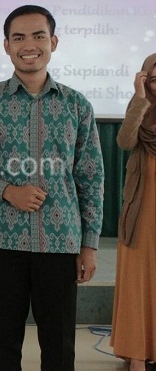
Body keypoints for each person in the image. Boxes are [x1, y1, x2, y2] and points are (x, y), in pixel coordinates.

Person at [0, 4, 105, 371]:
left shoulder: (76, 105)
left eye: (38, 36)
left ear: (53, 42)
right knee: (4, 341)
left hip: (60, 238)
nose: (29, 44)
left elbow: (91, 177)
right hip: (2, 239)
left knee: (59, 341)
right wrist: (8, 191)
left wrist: (89, 244)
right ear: (6, 46)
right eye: (18, 37)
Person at [110, 53, 156, 371]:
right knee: (138, 279)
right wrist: (140, 100)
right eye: (154, 77)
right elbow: (125, 141)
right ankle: (136, 353)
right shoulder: (138, 105)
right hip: (142, 207)